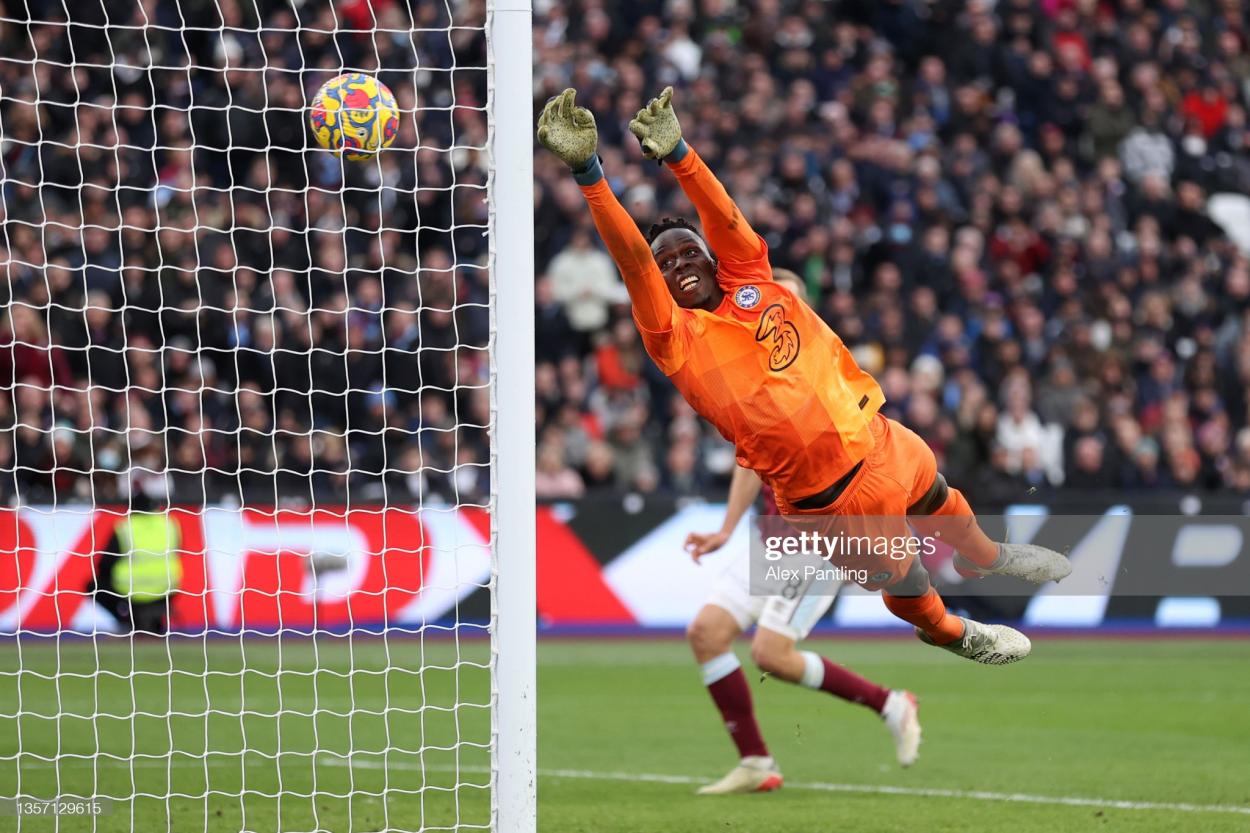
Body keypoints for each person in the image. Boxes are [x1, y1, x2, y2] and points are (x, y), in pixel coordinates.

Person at [535, 87, 1070, 675]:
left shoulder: (752, 276)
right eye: (666, 266)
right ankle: (954, 633)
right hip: (832, 499)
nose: (677, 266)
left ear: (712, 259)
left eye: (688, 254)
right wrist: (590, 174)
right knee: (911, 582)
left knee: (938, 496)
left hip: (878, 436)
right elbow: (633, 260)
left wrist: (681, 155)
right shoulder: (673, 338)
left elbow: (725, 218)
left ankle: (990, 558)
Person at [682, 268, 921, 795]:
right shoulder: (749, 382)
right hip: (770, 537)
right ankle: (755, 763)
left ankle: (890, 703)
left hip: (821, 540)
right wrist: (725, 529)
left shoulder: (823, 378)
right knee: (706, 634)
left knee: (770, 654)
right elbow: (749, 461)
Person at [89, 488, 183, 635]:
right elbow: (178, 552)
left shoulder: (125, 528)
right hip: (167, 588)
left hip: (131, 590)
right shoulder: (170, 524)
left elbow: (105, 563)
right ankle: (154, 618)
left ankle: (127, 621)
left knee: (93, 586)